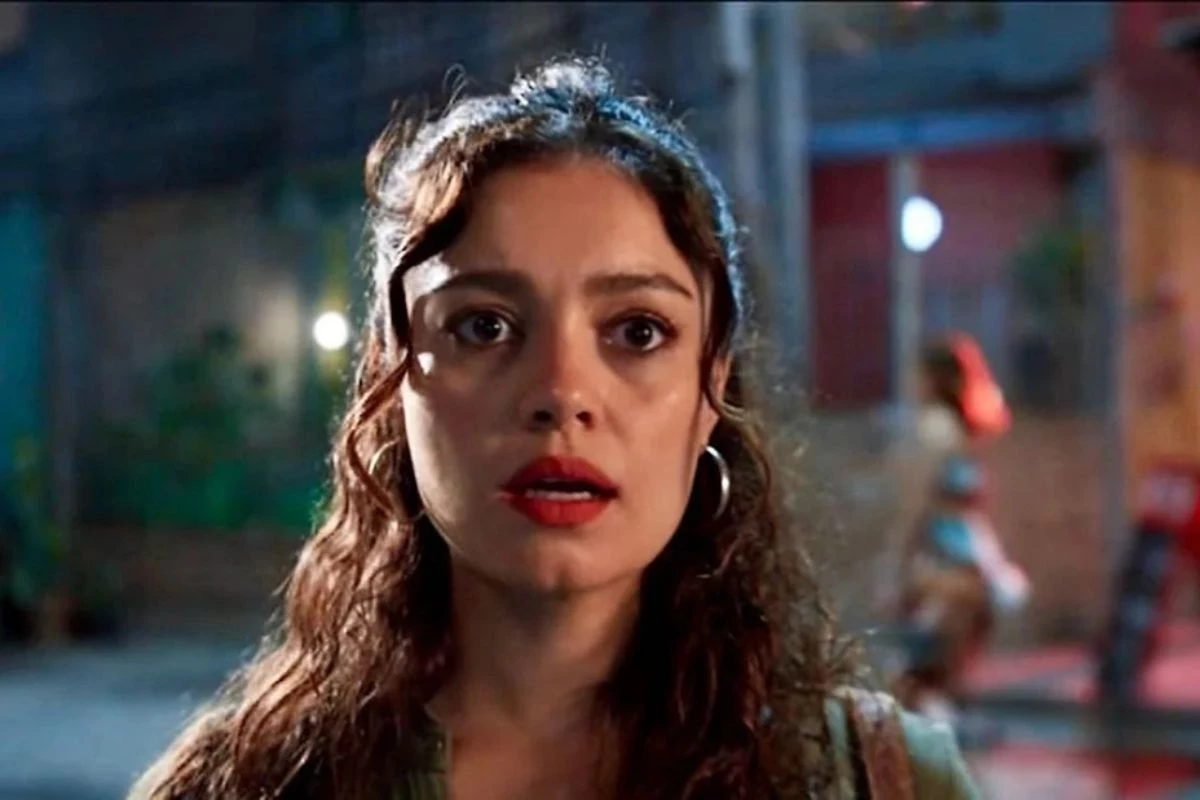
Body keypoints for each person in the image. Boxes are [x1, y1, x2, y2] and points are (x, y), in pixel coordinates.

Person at [131, 57, 979, 799]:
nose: (561, 393)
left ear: (710, 388)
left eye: (637, 331)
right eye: (484, 326)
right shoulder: (247, 783)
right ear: (393, 381)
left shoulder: (882, 781)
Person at [883, 334, 1029, 729]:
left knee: (962, 624)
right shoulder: (938, 427)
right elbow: (919, 499)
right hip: (941, 550)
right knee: (941, 632)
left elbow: (927, 498)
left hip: (958, 548)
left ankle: (937, 705)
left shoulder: (949, 428)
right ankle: (927, 706)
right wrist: (902, 563)